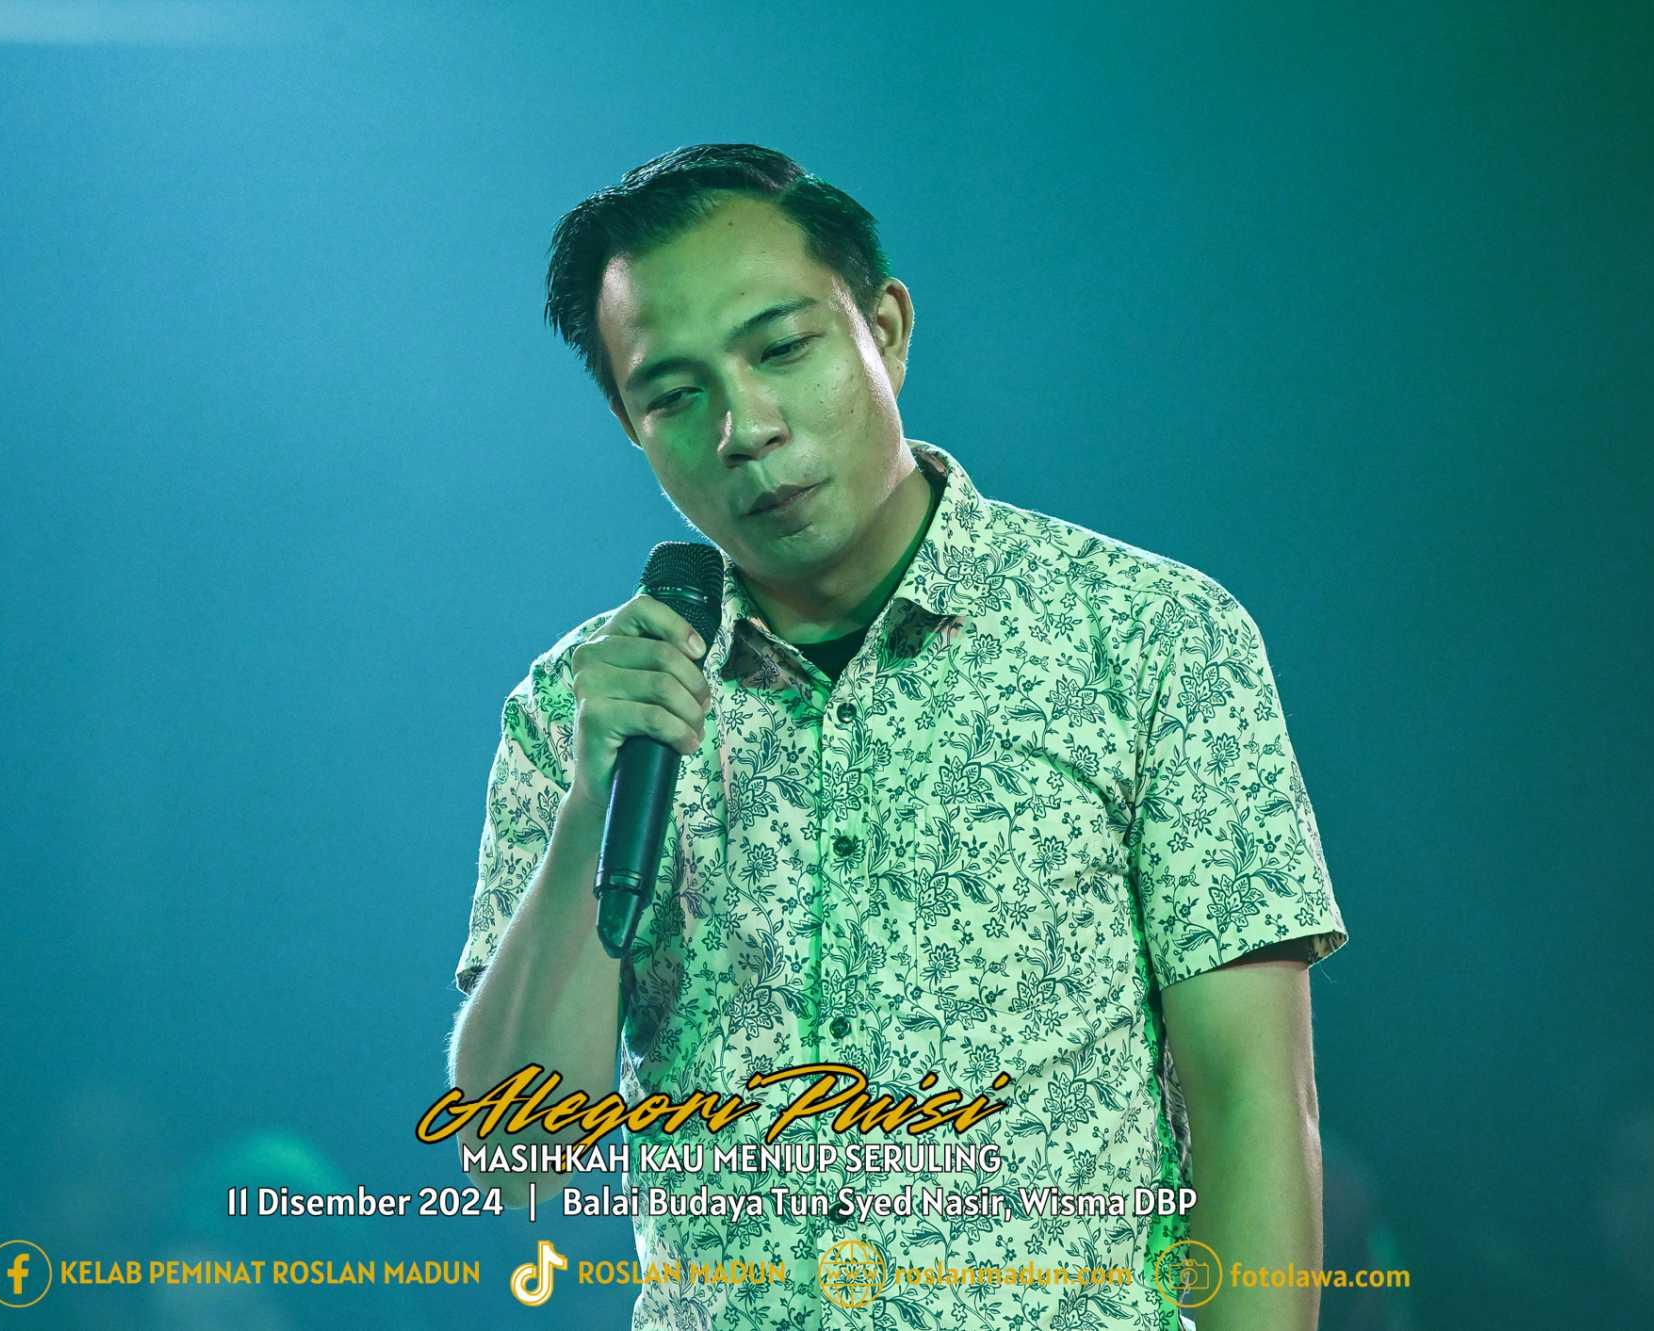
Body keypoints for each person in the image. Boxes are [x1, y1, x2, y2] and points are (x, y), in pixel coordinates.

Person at [448, 143, 1348, 1331]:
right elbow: (520, 1159)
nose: (744, 426)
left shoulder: (1144, 636)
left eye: (781, 348)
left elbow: (1251, 1102)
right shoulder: (583, 706)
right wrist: (588, 811)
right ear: (630, 423)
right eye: (673, 394)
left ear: (884, 328)